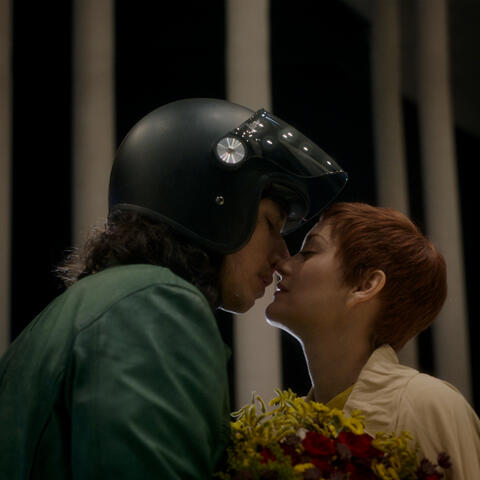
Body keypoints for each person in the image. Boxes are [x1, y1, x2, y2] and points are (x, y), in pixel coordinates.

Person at [0, 98, 347, 479]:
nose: (282, 256)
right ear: (217, 204)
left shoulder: (108, 302)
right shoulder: (152, 304)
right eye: (270, 225)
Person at [266, 201, 480, 479]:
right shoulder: (287, 430)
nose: (282, 264)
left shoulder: (428, 405)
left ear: (364, 286)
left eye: (308, 252)